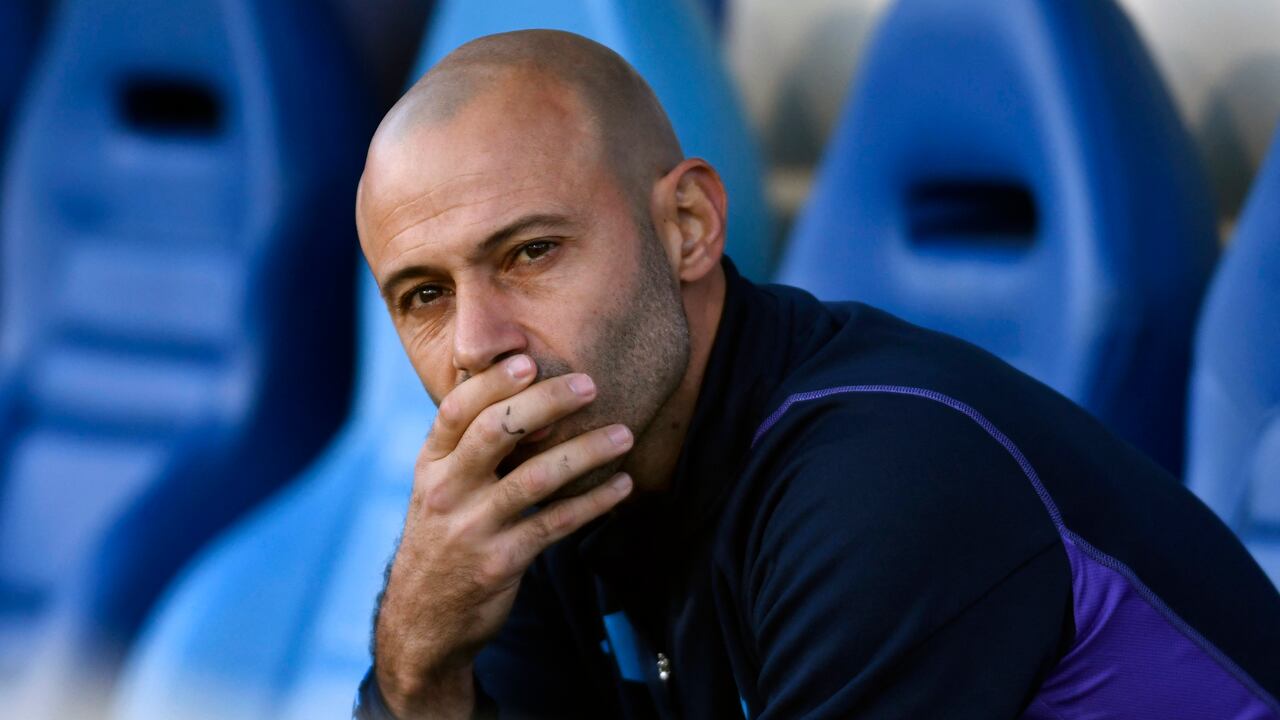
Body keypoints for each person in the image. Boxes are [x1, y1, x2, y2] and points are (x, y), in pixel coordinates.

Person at [351, 29, 1280, 720]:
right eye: (424, 295)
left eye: (530, 252)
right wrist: (423, 661)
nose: (478, 342)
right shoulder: (559, 480)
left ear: (689, 227)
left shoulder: (886, 481)